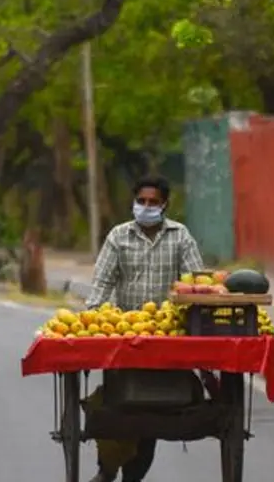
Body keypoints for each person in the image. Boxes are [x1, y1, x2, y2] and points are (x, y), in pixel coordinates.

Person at [85, 175, 206, 482]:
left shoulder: (180, 236)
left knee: (152, 414)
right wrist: (94, 318)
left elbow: (197, 283)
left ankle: (133, 476)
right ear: (134, 202)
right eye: (142, 201)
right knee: (117, 404)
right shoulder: (118, 236)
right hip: (125, 336)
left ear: (165, 205)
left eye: (154, 202)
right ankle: (107, 469)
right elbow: (101, 284)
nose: (147, 207)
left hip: (167, 336)